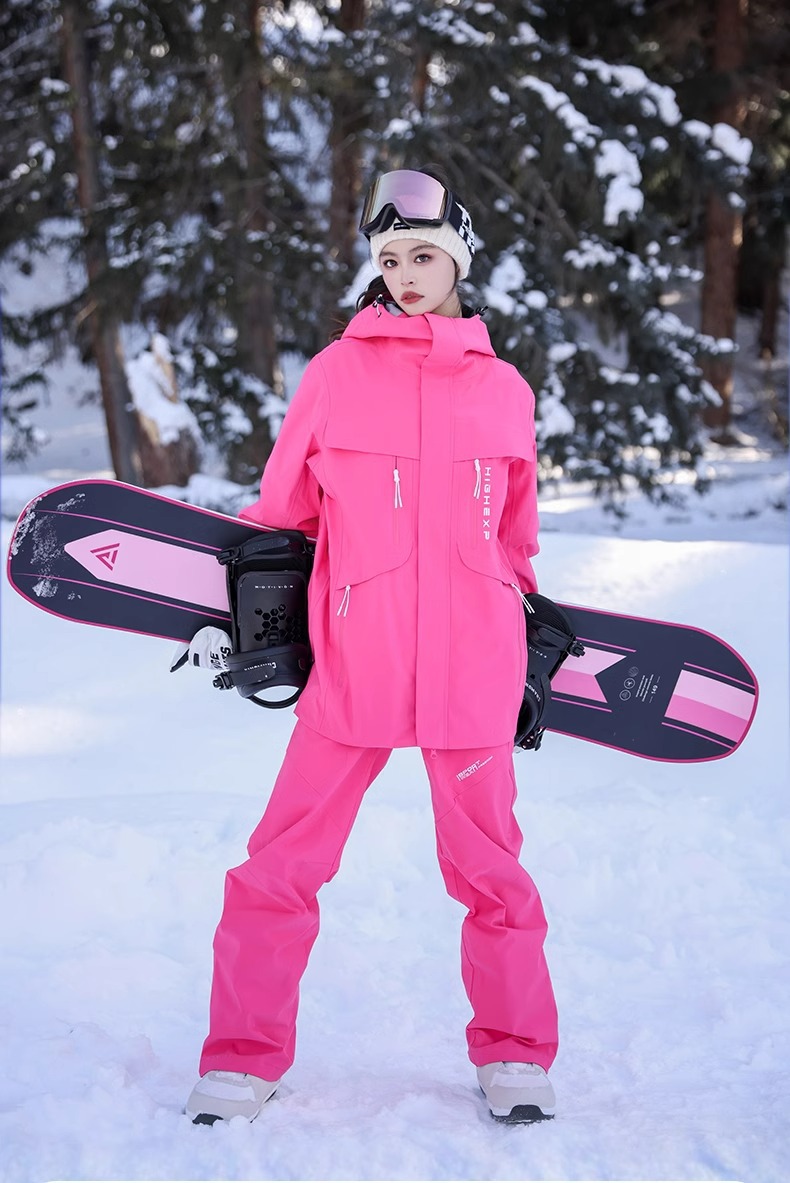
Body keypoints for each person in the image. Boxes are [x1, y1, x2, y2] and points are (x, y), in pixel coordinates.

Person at [182, 168, 559, 1125]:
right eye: (390, 259)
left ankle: (515, 1054)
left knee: (495, 873)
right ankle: (242, 1058)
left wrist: (526, 647)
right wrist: (237, 616)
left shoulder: (505, 391)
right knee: (279, 865)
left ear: (458, 261)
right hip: (355, 664)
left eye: (423, 254)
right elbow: (280, 518)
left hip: (474, 670)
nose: (405, 273)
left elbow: (515, 542)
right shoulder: (334, 376)